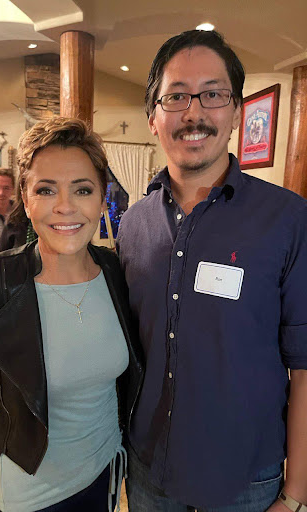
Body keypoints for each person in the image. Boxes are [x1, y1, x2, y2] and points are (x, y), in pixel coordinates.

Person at [116, 30, 307, 512]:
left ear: (238, 111)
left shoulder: (287, 220)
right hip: (148, 475)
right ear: (153, 118)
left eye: (213, 94)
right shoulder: (133, 225)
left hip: (246, 482)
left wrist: (298, 495)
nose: (194, 112)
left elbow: (305, 367)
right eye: (176, 96)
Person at [0, 117, 143, 512]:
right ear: (25, 199)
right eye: (46, 189)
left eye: (82, 189)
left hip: (104, 474)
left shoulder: (116, 273)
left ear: (100, 197)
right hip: (27, 493)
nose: (65, 207)